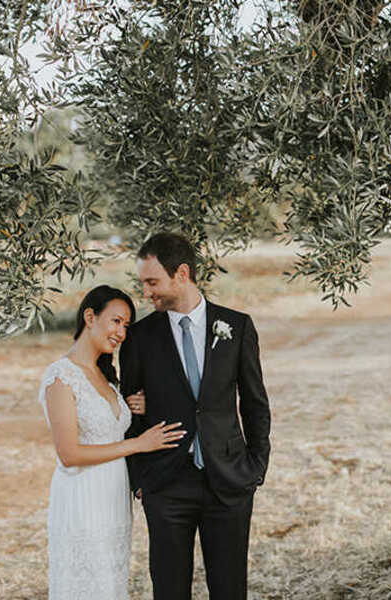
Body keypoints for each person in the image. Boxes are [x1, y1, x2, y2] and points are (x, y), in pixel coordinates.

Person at [121, 232, 271, 600]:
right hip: (166, 485)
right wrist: (142, 479)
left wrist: (255, 468)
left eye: (152, 282)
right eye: (143, 283)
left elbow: (255, 403)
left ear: (182, 274)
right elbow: (129, 412)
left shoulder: (236, 326)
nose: (146, 293)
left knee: (230, 590)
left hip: (229, 481)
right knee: (169, 592)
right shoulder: (139, 337)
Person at [38, 285, 186, 600]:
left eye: (126, 325)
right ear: (90, 317)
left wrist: (134, 408)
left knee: (110, 583)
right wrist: (139, 445)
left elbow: (111, 426)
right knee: (87, 585)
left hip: (113, 499)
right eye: (116, 321)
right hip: (83, 498)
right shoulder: (61, 376)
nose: (121, 332)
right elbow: (69, 453)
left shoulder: (106, 377)